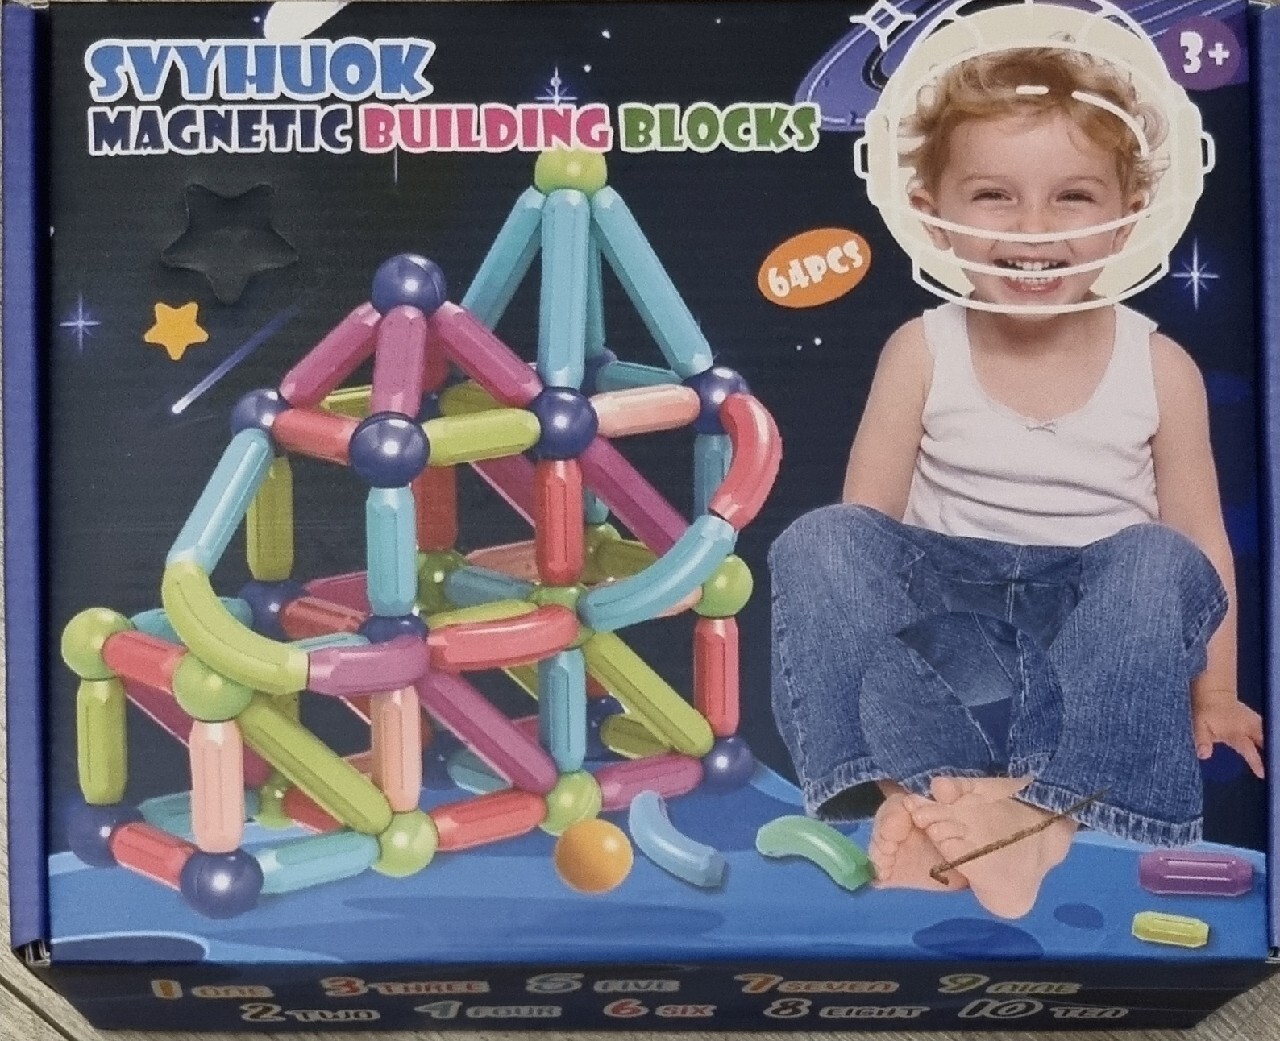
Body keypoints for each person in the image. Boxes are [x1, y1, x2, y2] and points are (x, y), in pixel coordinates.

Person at [768, 45, 1265, 920]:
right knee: (821, 538)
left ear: (1127, 218)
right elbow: (868, 529)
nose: (1033, 229)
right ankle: (915, 797)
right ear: (934, 215)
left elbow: (1200, 545)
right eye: (994, 195)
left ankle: (1039, 821)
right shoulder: (922, 349)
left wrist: (1215, 692)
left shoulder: (1161, 367)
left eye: (1072, 196)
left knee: (1159, 556)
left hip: (1091, 650)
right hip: (952, 649)